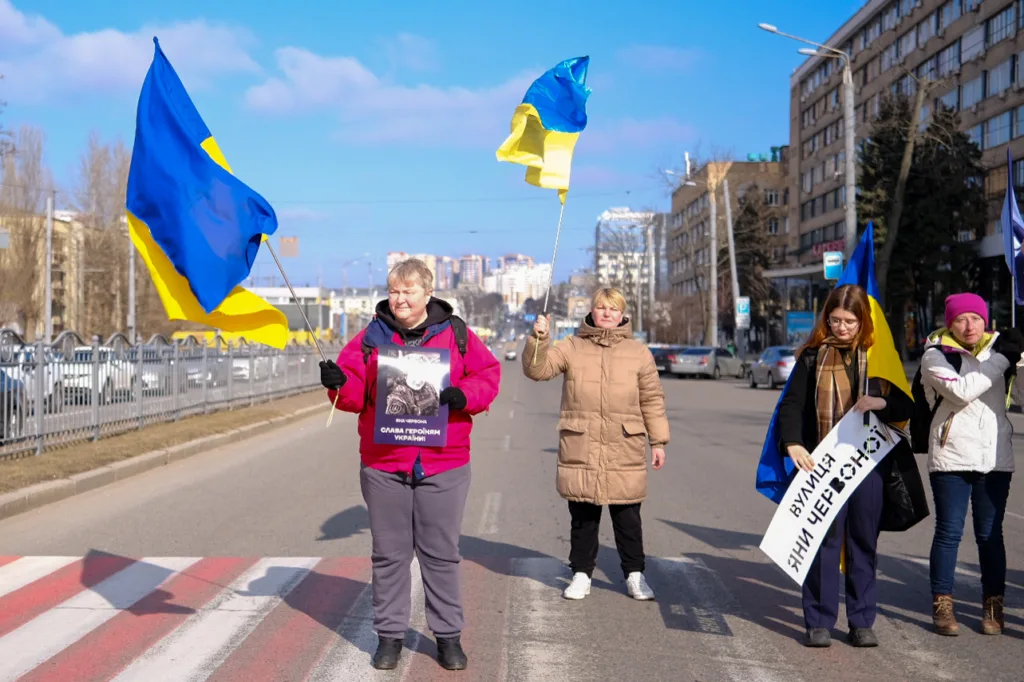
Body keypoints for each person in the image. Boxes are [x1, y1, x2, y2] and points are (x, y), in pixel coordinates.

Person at [319, 258, 501, 671]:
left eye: (409, 291)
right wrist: (337, 383)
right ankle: (390, 636)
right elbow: (351, 394)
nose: (400, 299)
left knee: (441, 553)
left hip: (444, 462)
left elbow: (489, 375)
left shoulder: (456, 334)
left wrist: (463, 395)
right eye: (395, 290)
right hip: (385, 464)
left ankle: (448, 636)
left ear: (427, 294)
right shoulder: (370, 337)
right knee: (389, 553)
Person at [777, 284, 912, 648]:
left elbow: (906, 406)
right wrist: (792, 443)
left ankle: (861, 621)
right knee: (823, 540)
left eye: (849, 321)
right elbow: (791, 406)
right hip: (822, 464)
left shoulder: (880, 357)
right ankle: (818, 621)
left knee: (863, 541)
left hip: (868, 464)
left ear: (863, 320)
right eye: (834, 320)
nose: (841, 328)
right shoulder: (811, 356)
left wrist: (881, 404)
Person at [522, 287, 669, 601]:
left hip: (624, 444)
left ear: (622, 314)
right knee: (584, 516)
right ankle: (581, 574)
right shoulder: (572, 346)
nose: (607, 313)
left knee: (627, 516)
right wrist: (538, 339)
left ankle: (635, 575)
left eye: (613, 309)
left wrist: (658, 441)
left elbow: (652, 399)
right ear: (591, 310)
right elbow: (538, 370)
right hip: (582, 444)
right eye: (602, 307)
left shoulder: (638, 352)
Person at [920, 293, 1022, 636]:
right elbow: (962, 392)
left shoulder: (1002, 350)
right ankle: (943, 605)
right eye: (961, 319)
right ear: (950, 323)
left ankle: (994, 605)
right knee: (949, 533)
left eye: (976, 318)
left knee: (990, 536)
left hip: (994, 457)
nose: (969, 326)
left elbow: (1020, 396)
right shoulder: (935, 355)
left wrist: (1019, 357)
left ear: (986, 320)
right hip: (950, 456)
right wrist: (1004, 359)